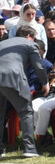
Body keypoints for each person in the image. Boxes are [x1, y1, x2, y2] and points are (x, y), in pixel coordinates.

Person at [0, 24, 46, 156]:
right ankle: (30, 149)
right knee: (26, 111)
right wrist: (45, 82)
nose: (36, 41)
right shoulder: (30, 45)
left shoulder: (3, 43)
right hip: (12, 78)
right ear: (28, 36)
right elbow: (39, 66)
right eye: (35, 38)